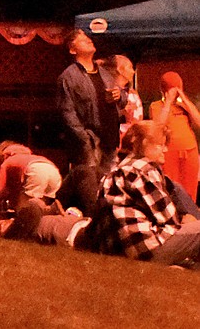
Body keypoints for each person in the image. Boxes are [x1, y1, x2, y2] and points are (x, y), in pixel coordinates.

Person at [90, 119, 200, 266]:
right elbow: (169, 219)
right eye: (160, 145)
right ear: (144, 143)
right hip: (144, 248)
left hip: (118, 250)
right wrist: (187, 220)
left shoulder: (117, 170)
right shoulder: (143, 169)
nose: (165, 150)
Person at [56, 29, 120, 169]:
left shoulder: (105, 74)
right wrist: (84, 138)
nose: (88, 39)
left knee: (109, 186)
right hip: (89, 143)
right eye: (82, 38)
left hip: (110, 139)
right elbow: (67, 112)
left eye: (87, 36)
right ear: (73, 50)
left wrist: (119, 96)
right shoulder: (68, 77)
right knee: (91, 185)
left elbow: (122, 101)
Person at [149, 71, 200, 201]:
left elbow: (198, 121)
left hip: (190, 151)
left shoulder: (184, 106)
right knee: (171, 187)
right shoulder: (156, 106)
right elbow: (159, 125)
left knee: (190, 187)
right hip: (169, 153)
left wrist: (185, 101)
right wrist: (168, 102)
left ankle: (190, 214)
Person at [98, 55, 142, 139]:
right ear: (120, 70)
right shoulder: (109, 92)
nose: (133, 71)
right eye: (129, 67)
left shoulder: (131, 92)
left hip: (133, 139)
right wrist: (122, 112)